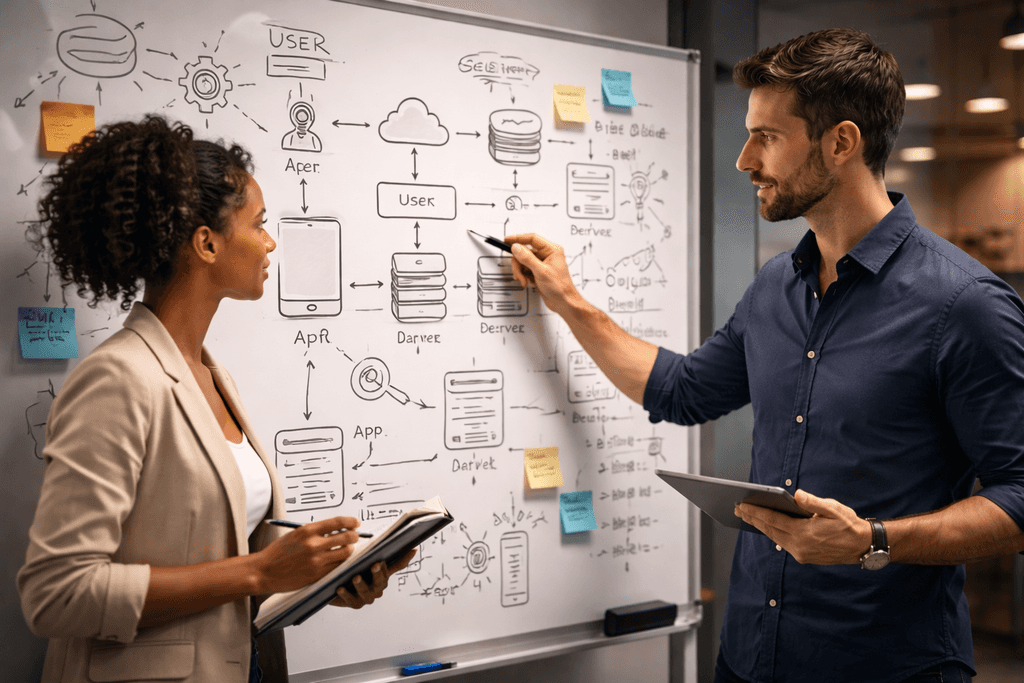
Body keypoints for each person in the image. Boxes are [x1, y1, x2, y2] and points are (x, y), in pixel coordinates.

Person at [506, 28, 1024, 683]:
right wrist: (568, 300)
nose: (745, 159)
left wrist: (875, 539)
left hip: (887, 666)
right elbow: (681, 389)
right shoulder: (776, 285)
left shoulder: (965, 304)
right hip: (750, 656)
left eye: (768, 137)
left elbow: (1020, 496)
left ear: (840, 142)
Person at [17, 116, 413, 683]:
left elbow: (221, 551)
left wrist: (320, 578)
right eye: (259, 223)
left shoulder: (209, 374)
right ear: (206, 242)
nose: (270, 240)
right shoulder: (117, 379)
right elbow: (58, 593)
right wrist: (257, 572)